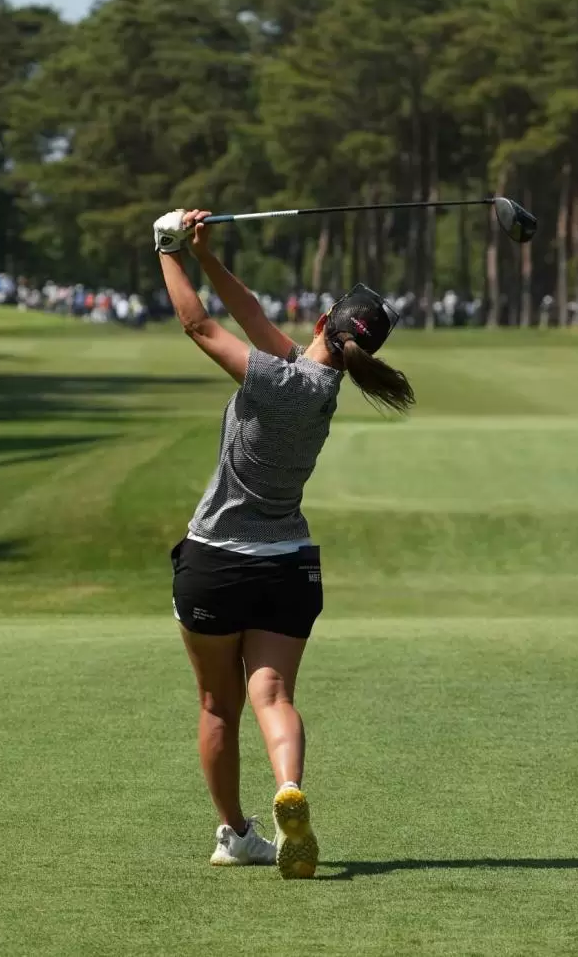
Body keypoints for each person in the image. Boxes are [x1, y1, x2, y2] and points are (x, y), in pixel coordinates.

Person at [154, 208, 415, 879]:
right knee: (272, 695)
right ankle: (288, 790)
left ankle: (235, 832)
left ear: (324, 324)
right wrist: (206, 256)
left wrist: (165, 252)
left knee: (218, 704)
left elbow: (199, 326)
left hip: (214, 559)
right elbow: (252, 321)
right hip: (286, 567)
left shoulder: (279, 379)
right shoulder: (322, 388)